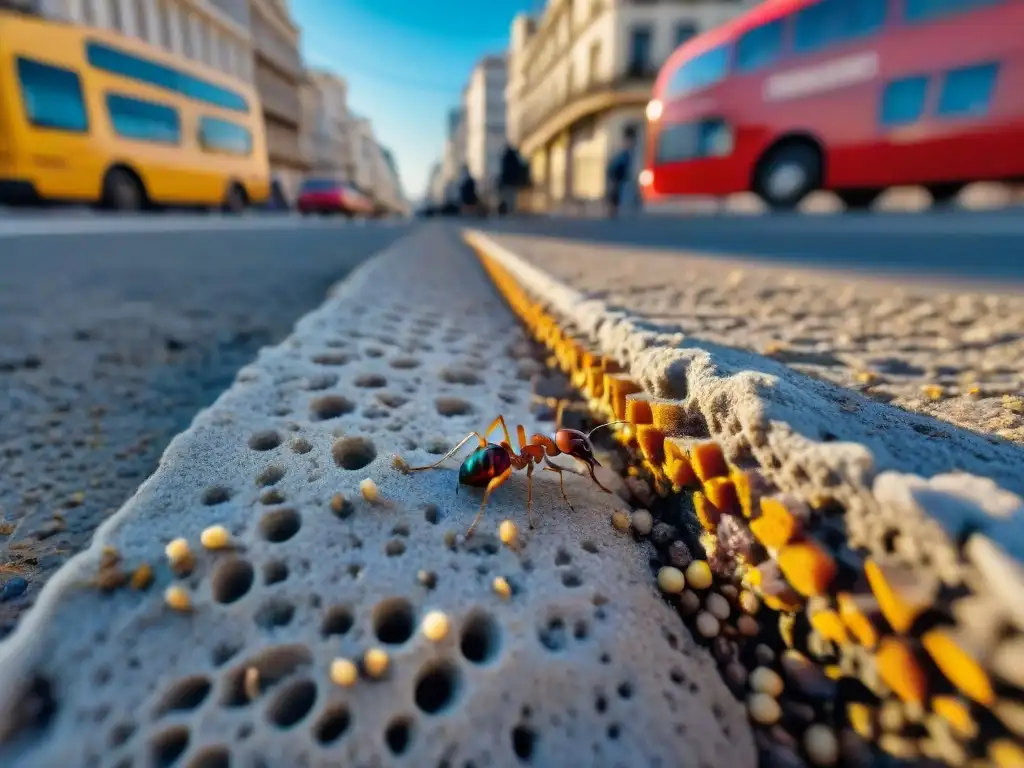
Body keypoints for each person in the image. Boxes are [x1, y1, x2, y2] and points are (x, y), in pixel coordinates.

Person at [605, 125, 639, 219]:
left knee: (617, 190)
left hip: (619, 170)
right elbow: (619, 161)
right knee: (616, 190)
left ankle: (615, 208)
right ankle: (614, 208)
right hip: (617, 171)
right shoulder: (624, 148)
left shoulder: (628, 149)